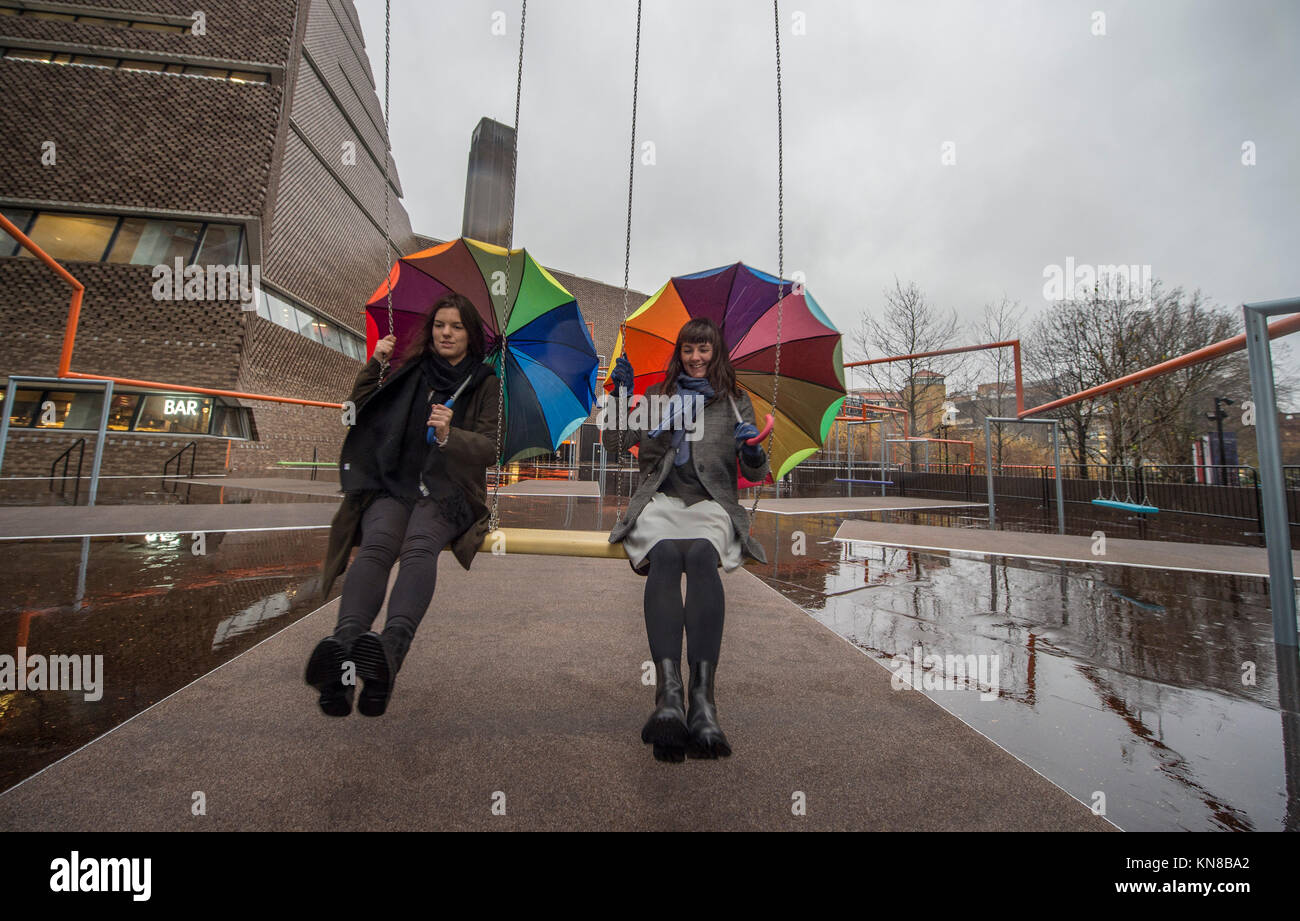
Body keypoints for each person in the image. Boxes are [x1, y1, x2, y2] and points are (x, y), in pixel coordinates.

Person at [308, 293, 500, 717]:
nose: (446, 333)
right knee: (376, 547)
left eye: (456, 326)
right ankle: (343, 650)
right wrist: (376, 363)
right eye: (439, 325)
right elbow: (356, 412)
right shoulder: (408, 369)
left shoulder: (484, 382)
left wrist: (451, 435)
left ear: (470, 335)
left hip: (447, 491)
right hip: (395, 483)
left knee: (418, 547)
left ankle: (389, 652)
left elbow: (489, 449)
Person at [603, 317, 769, 762]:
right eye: (688, 350)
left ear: (716, 354)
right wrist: (619, 397)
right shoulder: (658, 399)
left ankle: (704, 702)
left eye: (704, 350)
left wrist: (753, 451)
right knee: (664, 556)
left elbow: (755, 471)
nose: (695, 358)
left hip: (710, 502)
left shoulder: (734, 402)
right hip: (662, 499)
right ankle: (670, 696)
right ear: (679, 354)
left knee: (699, 556)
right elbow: (615, 441)